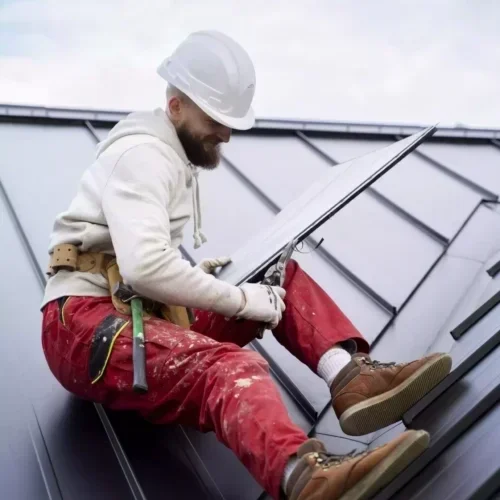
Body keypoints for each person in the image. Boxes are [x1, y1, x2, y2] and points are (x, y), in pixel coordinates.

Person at [40, 30, 452, 500]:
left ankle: (350, 376)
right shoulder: (141, 157)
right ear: (175, 106)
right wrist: (239, 298)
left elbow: (143, 267)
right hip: (83, 326)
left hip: (134, 317)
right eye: (216, 118)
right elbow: (143, 269)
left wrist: (224, 283)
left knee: (277, 275)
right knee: (228, 366)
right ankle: (305, 478)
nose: (226, 132)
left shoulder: (170, 157)